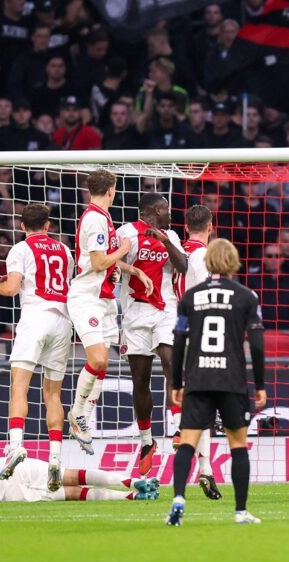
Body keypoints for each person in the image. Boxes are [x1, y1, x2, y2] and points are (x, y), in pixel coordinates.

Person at [0, 204, 73, 488]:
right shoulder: (64, 251)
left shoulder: (20, 249)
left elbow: (13, 288)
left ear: (20, 225)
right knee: (53, 394)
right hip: (63, 321)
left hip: (34, 318)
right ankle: (55, 457)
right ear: (48, 225)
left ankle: (16, 447)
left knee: (20, 386)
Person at [166, 238, 266, 526]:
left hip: (198, 378)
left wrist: (177, 383)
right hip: (231, 379)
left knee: (187, 443)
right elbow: (257, 345)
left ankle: (178, 500)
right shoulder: (247, 297)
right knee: (237, 444)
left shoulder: (190, 297)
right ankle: (240, 511)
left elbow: (179, 339)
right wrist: (259, 384)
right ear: (233, 262)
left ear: (208, 262)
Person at [117, 193, 186, 476]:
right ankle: (147, 442)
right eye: (166, 210)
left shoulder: (171, 234)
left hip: (166, 310)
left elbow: (182, 266)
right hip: (135, 311)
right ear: (153, 211)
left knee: (172, 363)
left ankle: (179, 428)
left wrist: (167, 242)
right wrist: (132, 268)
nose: (170, 214)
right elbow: (107, 261)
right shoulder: (127, 233)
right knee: (140, 379)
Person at [65, 170, 134, 454]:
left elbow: (104, 263)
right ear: (111, 191)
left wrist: (130, 271)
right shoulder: (95, 218)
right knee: (97, 358)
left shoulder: (102, 217)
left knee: (104, 365)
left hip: (105, 299)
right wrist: (124, 250)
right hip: (87, 298)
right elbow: (96, 261)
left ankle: (83, 418)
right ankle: (77, 413)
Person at [171, 204, 221, 500]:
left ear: (186, 226)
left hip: (175, 324)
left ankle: (206, 470)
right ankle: (182, 432)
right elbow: (204, 295)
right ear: (211, 226)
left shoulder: (177, 250)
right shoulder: (202, 255)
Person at [0, 451, 160, 503]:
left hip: (2, 494)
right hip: (2, 468)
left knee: (71, 494)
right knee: (70, 475)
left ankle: (130, 496)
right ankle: (129, 481)